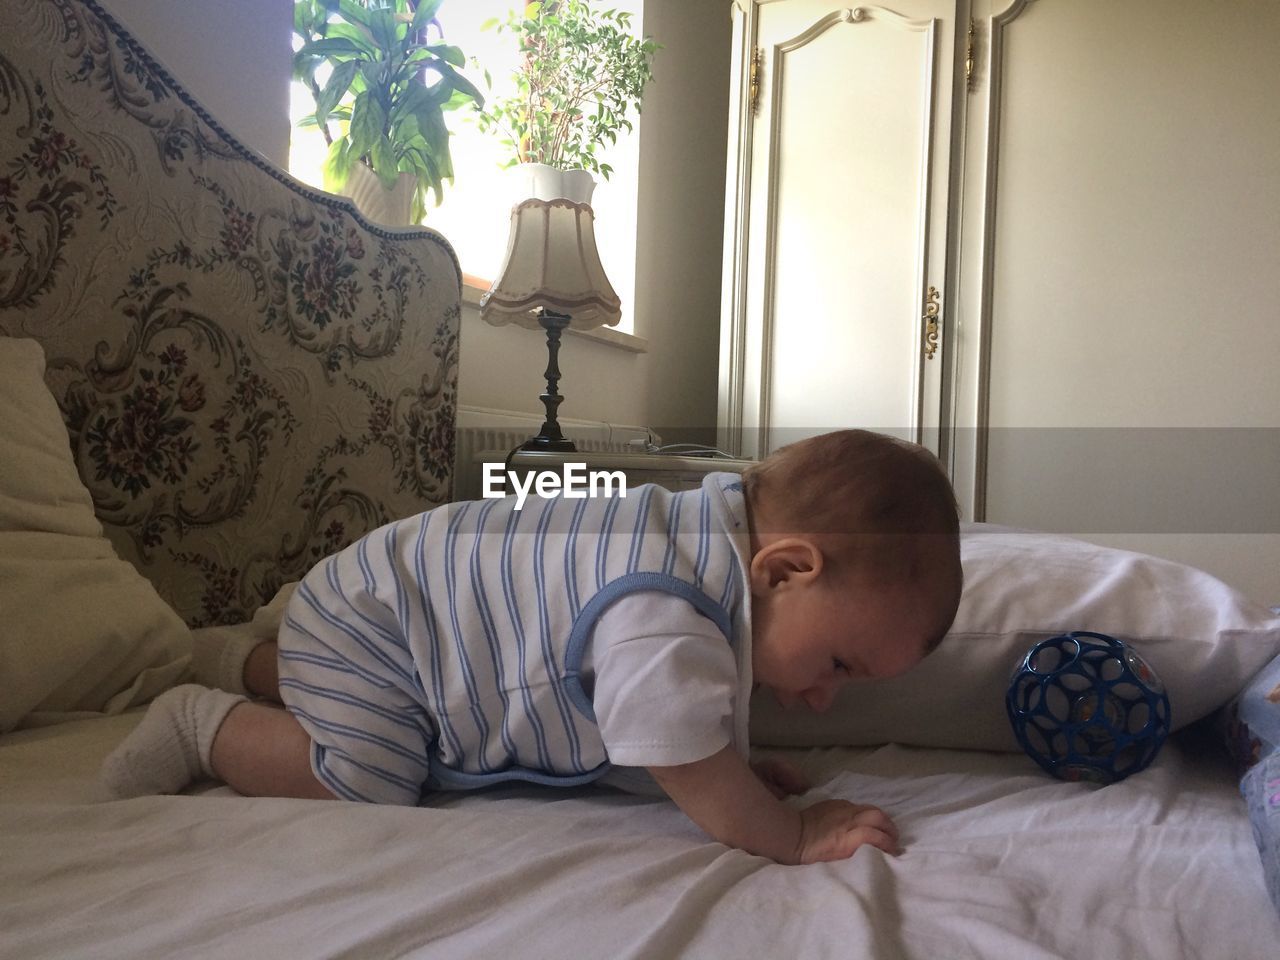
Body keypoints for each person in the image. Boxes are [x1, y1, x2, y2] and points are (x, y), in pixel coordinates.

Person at [103, 429, 963, 866]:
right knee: (368, 778)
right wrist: (786, 831)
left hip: (376, 613)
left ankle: (251, 658)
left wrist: (725, 765)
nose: (823, 699)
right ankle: (202, 721)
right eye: (840, 666)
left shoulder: (699, 544)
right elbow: (678, 746)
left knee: (357, 691)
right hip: (382, 626)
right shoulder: (669, 600)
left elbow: (645, 731)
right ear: (783, 570)